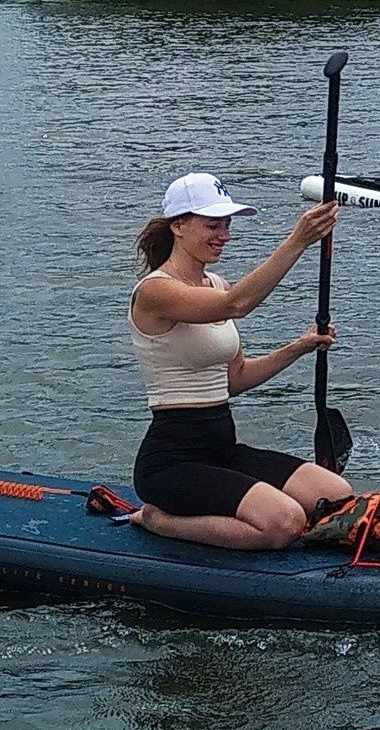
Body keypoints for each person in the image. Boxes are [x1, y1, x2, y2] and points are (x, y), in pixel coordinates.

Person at [128, 171, 352, 549]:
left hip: (223, 450)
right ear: (178, 226)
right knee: (285, 523)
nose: (225, 235)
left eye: (227, 225)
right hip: (170, 463)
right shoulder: (155, 293)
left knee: (336, 495)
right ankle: (159, 520)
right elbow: (237, 305)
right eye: (212, 225)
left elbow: (236, 379)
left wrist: (298, 346)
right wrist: (298, 240)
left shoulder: (217, 284)